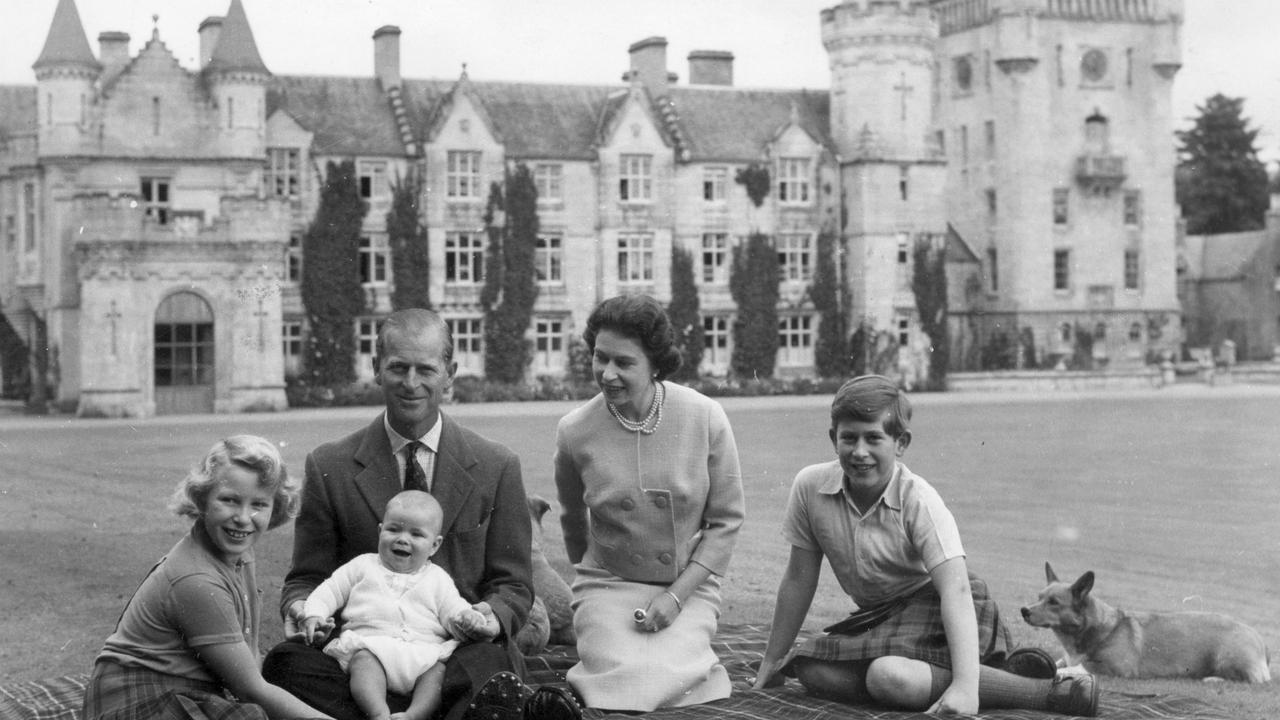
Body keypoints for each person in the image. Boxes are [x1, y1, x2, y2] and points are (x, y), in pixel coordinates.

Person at [263, 308, 579, 720]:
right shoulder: (330, 465)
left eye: (426, 369)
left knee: (488, 664)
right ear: (377, 369)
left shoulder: (496, 465)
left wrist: (492, 616)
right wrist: (302, 610)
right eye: (398, 368)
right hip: (363, 658)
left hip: (455, 655)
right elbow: (306, 578)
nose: (411, 383)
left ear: (450, 373)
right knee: (284, 664)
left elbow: (514, 584)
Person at [752, 375, 1100, 716]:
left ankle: (1048, 691)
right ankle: (999, 675)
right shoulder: (810, 487)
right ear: (833, 438)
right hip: (880, 617)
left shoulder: (919, 499)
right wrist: (771, 661)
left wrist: (965, 688)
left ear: (900, 443)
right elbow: (799, 577)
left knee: (888, 676)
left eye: (874, 438)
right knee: (810, 669)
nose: (860, 452)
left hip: (942, 606)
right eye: (849, 438)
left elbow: (957, 590)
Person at [554, 294, 746, 712]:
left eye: (624, 363)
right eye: (600, 358)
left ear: (655, 364)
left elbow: (727, 522)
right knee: (622, 676)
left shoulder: (706, 417)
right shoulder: (574, 431)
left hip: (687, 587)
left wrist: (676, 597)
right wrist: (596, 585)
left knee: (668, 679)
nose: (607, 374)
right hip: (608, 583)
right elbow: (572, 521)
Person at [82, 435, 332, 720]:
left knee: (288, 668)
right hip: (135, 699)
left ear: (276, 506)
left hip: (181, 687)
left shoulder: (240, 553)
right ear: (202, 499)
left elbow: (249, 656)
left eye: (259, 504)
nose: (243, 517)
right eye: (229, 500)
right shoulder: (196, 579)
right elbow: (251, 691)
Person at [301, 491, 489, 720]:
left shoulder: (437, 578)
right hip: (372, 647)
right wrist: (314, 615)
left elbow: (453, 609)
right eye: (393, 529)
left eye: (416, 534)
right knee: (363, 664)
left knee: (437, 673)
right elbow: (328, 591)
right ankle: (378, 712)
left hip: (423, 654)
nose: (402, 539)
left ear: (434, 545)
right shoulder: (362, 566)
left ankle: (414, 715)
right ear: (380, 531)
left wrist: (468, 617)